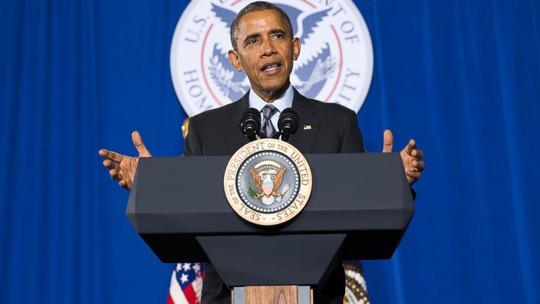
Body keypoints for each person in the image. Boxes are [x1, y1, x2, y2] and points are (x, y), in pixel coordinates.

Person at [99, 1, 425, 303]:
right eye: (253, 41)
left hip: (320, 294)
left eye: (277, 36)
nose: (267, 48)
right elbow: (187, 212)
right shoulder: (205, 128)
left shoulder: (338, 122)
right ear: (235, 60)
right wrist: (152, 185)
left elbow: (362, 208)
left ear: (294, 48)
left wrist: (391, 180)